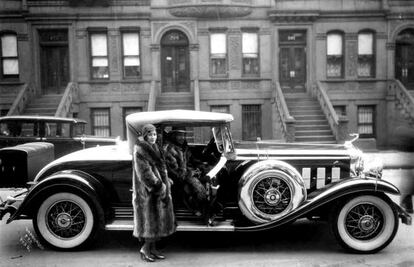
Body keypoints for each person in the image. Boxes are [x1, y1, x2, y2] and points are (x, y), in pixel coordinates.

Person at [132, 124, 176, 262]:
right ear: (145, 135)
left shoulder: (156, 147)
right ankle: (145, 249)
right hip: (148, 192)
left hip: (158, 190)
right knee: (149, 223)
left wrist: (166, 180)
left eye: (155, 134)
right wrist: (160, 187)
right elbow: (145, 174)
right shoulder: (140, 150)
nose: (153, 137)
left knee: (157, 222)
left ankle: (153, 249)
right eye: (150, 134)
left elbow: (160, 167)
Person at [163, 127, 209, 218]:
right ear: (173, 136)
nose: (182, 137)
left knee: (208, 178)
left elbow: (191, 160)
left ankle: (206, 208)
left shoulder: (184, 147)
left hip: (187, 173)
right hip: (175, 179)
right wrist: (192, 173)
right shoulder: (169, 149)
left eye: (183, 135)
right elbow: (176, 172)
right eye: (179, 135)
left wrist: (201, 166)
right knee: (196, 186)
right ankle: (199, 209)